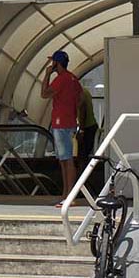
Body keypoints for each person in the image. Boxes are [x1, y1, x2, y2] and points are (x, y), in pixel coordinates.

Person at [40, 49, 82, 207]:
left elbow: (44, 94)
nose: (52, 65)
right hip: (69, 121)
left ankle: (70, 195)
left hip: (60, 122)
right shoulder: (72, 78)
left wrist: (47, 74)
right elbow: (81, 98)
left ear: (57, 63)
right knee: (64, 159)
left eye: (53, 63)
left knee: (67, 159)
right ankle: (66, 194)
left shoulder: (61, 79)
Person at [76, 81, 98, 165]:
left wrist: (81, 130)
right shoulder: (85, 91)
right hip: (91, 126)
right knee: (86, 155)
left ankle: (83, 176)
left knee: (82, 156)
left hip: (87, 127)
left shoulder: (79, 93)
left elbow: (82, 110)